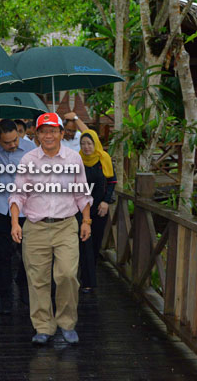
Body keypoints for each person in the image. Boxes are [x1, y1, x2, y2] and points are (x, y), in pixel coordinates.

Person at [9, 112, 93, 345]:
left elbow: (83, 192)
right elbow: (18, 194)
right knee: (37, 279)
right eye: (43, 131)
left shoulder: (73, 158)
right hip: (35, 226)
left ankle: (67, 323)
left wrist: (86, 221)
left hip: (66, 225)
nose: (48, 135)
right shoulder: (28, 160)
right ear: (36, 135)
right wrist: (16, 222)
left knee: (66, 274)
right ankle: (43, 326)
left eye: (53, 131)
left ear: (61, 133)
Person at [0, 119, 36, 314]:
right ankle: (5, 296)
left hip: (27, 211)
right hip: (1, 209)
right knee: (3, 255)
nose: (12, 145)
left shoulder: (30, 148)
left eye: (15, 140)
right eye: (7, 142)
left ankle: (25, 287)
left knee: (28, 254)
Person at [65, 113, 117, 292]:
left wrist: (106, 201)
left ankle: (89, 275)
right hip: (80, 209)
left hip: (99, 208)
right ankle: (87, 282)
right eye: (83, 144)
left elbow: (111, 182)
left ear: (95, 144)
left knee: (95, 246)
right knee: (84, 243)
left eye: (89, 143)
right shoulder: (76, 160)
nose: (86, 147)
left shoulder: (104, 159)